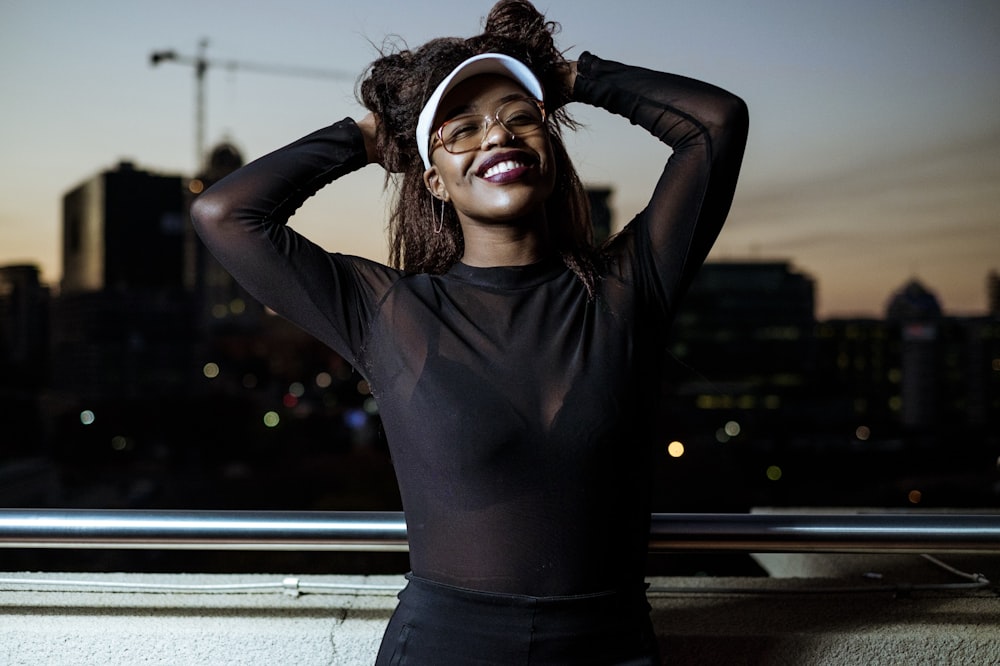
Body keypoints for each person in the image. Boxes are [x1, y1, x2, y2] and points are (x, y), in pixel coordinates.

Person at [191, 0, 748, 662]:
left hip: (613, 648)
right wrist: (372, 138)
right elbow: (226, 213)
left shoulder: (630, 288)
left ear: (551, 149)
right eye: (460, 130)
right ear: (433, 179)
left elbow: (715, 125)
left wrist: (568, 78)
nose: (496, 136)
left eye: (520, 118)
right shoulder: (386, 312)